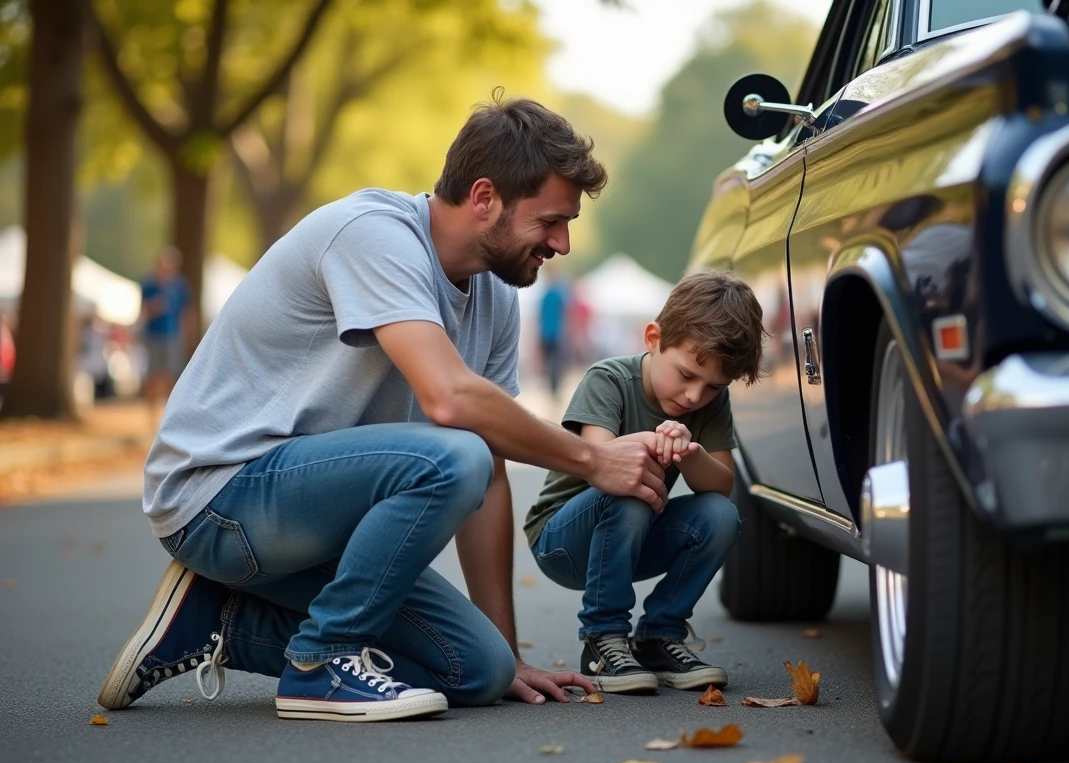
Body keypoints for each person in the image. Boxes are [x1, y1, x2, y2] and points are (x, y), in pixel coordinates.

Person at [97, 94, 669, 723]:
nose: (562, 243)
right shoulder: (373, 233)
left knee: (479, 671)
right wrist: (592, 459)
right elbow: (449, 399)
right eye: (551, 221)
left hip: (314, 523)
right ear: (484, 197)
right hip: (219, 500)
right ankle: (320, 663)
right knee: (455, 452)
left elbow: (491, 471)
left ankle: (216, 623)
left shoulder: (497, 295)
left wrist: (509, 654)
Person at [523, 272, 766, 693]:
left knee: (721, 514)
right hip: (563, 540)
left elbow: (721, 486)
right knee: (631, 483)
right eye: (686, 375)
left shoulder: (709, 401)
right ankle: (602, 638)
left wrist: (692, 452)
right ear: (654, 338)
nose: (695, 396)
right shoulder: (609, 379)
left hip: (633, 537)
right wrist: (652, 441)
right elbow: (600, 458)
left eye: (713, 387)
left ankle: (659, 636)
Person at [139, 246, 193, 424]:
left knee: (172, 377)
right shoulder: (149, 286)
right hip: (154, 336)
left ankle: (168, 417)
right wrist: (155, 306)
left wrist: (188, 335)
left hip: (173, 336)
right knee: (153, 376)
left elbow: (186, 312)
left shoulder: (180, 286)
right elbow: (143, 311)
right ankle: (151, 418)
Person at [537, 262, 570, 401]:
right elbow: (565, 313)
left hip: (546, 332)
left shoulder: (546, 294)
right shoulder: (559, 294)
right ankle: (555, 389)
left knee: (550, 362)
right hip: (556, 333)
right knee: (556, 362)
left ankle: (552, 389)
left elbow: (540, 315)